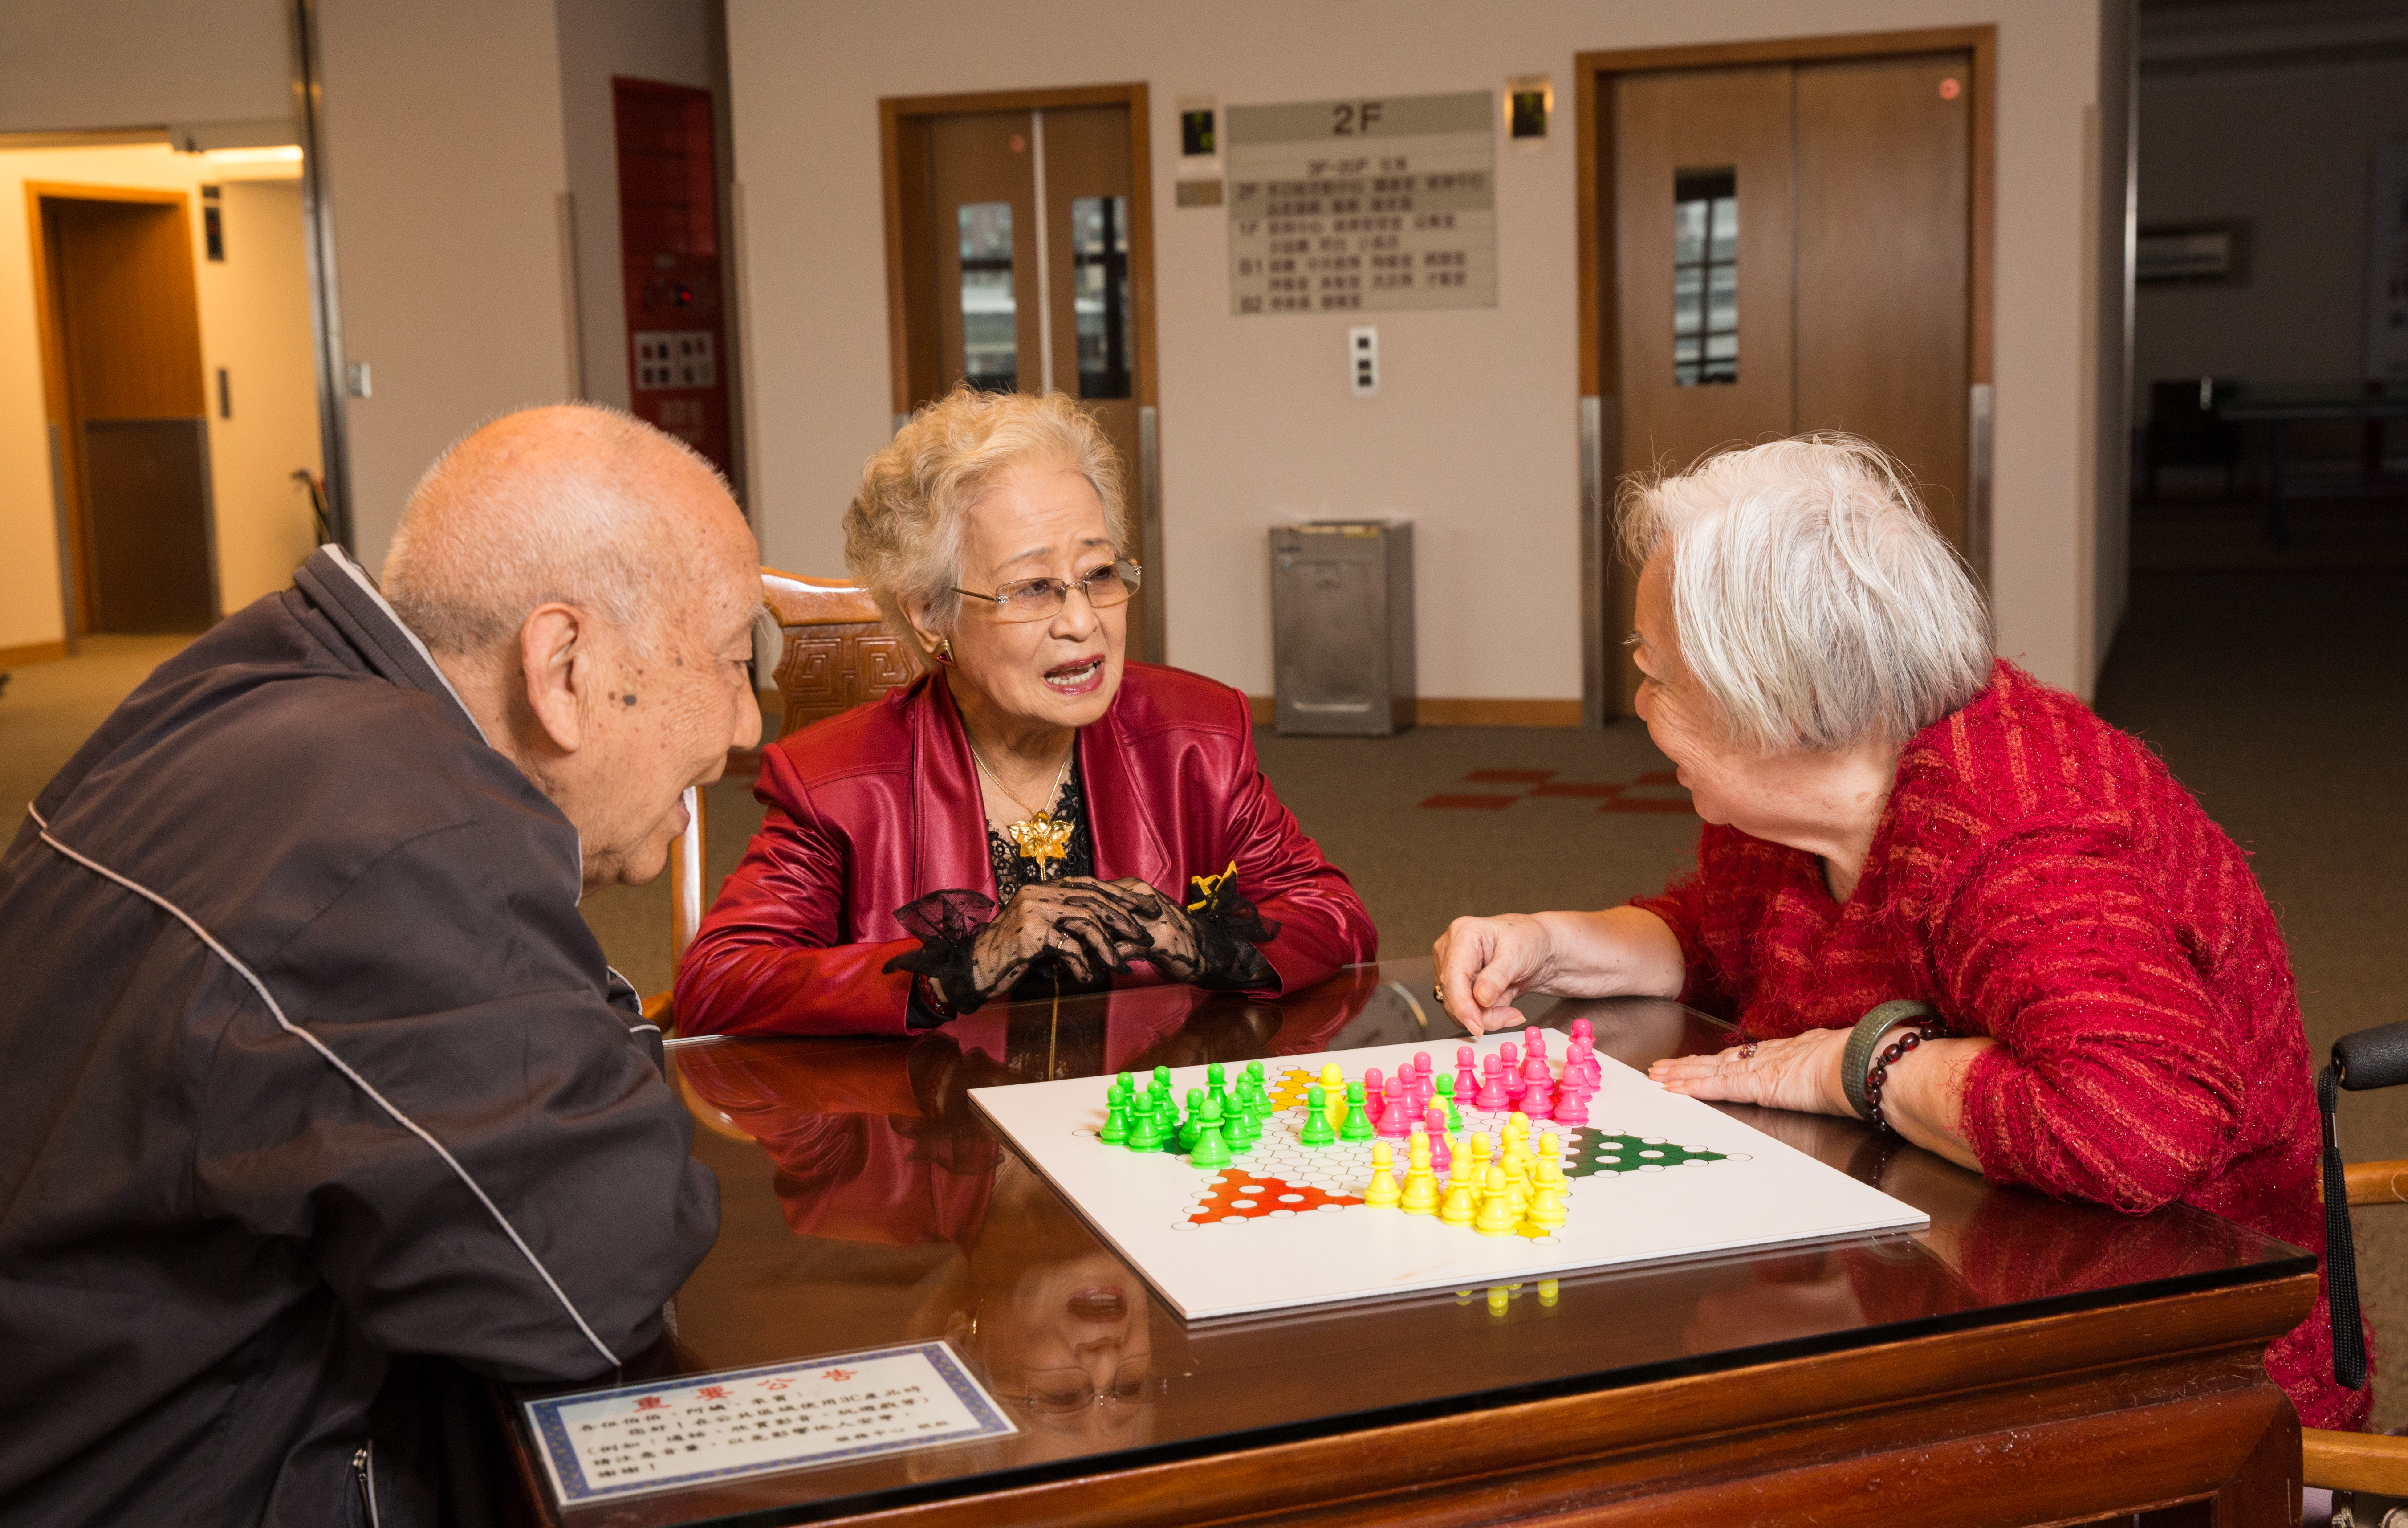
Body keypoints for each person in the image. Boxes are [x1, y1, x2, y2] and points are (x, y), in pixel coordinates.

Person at [1432, 434, 2356, 1430]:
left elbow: (2138, 1129)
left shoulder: (2018, 835)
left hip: (2169, 1369)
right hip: (1949, 1270)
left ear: (1781, 708)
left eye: (1659, 678)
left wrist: (1860, 1067)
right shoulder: (1807, 803)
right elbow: (1724, 936)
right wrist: (1550, 940)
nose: (1640, 706)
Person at [0, 406, 752, 1525]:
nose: (745, 727)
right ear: (563, 667)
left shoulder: (259, 684)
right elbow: (594, 1273)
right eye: (737, 661)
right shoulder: (405, 842)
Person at [674, 387, 1375, 1037]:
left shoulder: (1197, 736)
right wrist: (963, 967)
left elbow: (1335, 916)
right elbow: (721, 981)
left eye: (1099, 576)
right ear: (930, 613)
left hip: (1142, 1136)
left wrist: (1194, 941)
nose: (1082, 622)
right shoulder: (836, 783)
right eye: (1034, 589)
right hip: (939, 1146)